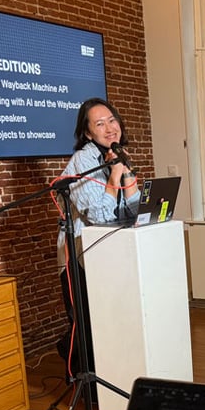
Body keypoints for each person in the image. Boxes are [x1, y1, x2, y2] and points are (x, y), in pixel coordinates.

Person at [55, 97, 141, 379]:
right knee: (88, 323)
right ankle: (88, 386)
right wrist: (114, 179)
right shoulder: (84, 160)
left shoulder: (115, 156)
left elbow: (133, 212)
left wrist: (128, 182)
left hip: (108, 252)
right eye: (100, 124)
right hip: (79, 254)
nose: (110, 128)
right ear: (88, 132)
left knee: (110, 319)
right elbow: (100, 217)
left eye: (112, 120)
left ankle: (114, 376)